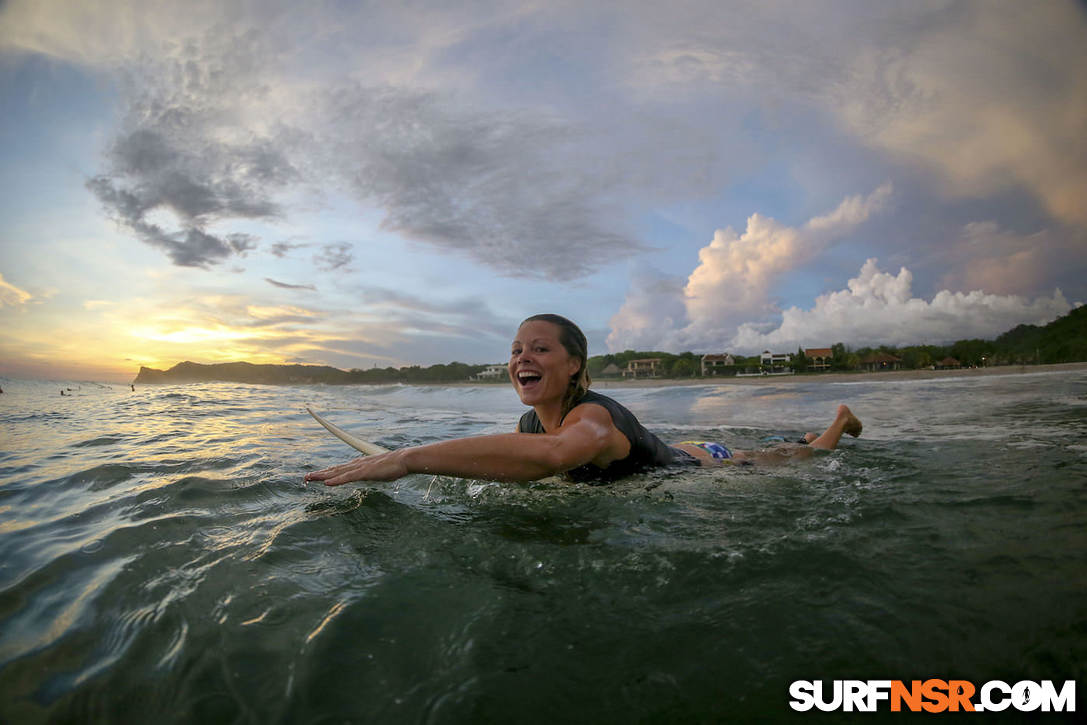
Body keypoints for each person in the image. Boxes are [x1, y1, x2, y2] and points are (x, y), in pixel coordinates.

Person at [304, 314, 861, 487]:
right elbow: (529, 466)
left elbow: (556, 458)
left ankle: (837, 421)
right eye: (517, 349)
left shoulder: (591, 417)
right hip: (671, 448)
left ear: (573, 364)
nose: (523, 357)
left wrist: (407, 458)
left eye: (540, 348)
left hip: (696, 465)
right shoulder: (528, 422)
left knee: (794, 459)